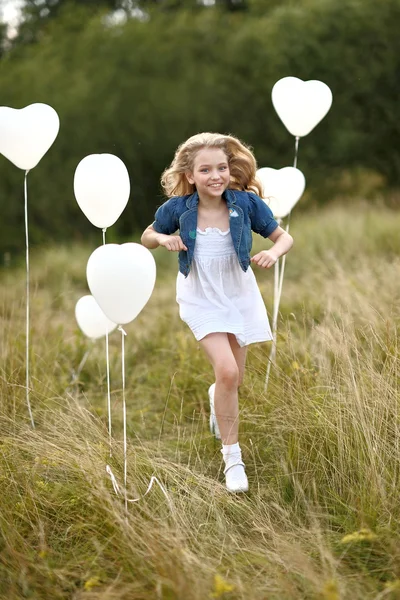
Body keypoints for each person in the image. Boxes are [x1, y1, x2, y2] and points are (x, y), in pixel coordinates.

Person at [141, 132, 293, 493]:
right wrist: (163, 239)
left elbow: (284, 237)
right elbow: (147, 235)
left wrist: (273, 253)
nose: (215, 176)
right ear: (190, 175)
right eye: (206, 169)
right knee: (225, 371)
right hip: (200, 296)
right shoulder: (178, 209)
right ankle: (233, 458)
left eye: (221, 168)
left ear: (230, 170)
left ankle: (217, 398)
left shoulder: (245, 205)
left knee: (233, 380)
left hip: (239, 295)